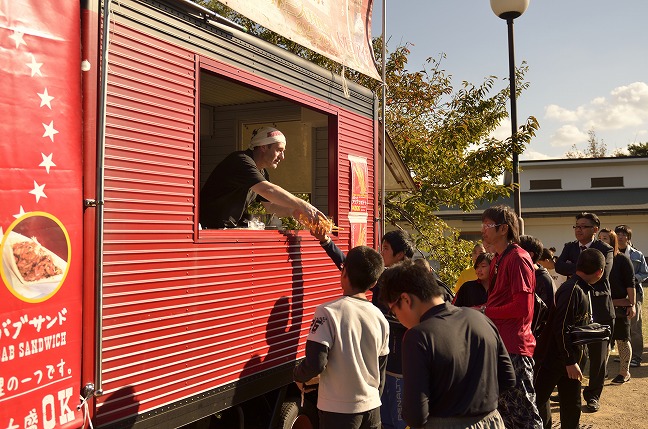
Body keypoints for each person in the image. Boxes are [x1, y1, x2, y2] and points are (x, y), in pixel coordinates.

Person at [379, 259, 515, 429]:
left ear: (405, 299)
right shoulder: (481, 319)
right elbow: (508, 379)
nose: (398, 318)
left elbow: (415, 416)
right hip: (492, 421)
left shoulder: (418, 336)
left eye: (394, 311)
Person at [312, 227, 414, 429]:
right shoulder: (384, 277)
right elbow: (351, 267)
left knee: (399, 421)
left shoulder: (407, 281)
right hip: (380, 367)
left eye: (385, 248)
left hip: (398, 364)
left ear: (400, 254)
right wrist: (326, 241)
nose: (381, 252)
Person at [293, 246, 389, 429]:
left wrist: (298, 375)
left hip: (339, 412)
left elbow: (316, 363)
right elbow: (381, 369)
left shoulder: (327, 312)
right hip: (372, 409)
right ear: (374, 283)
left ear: (344, 272)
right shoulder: (379, 317)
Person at [479, 205, 543, 429]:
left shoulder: (517, 258)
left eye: (488, 225)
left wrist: (485, 311)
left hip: (515, 346)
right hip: (500, 344)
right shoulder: (498, 258)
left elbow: (523, 307)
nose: (483, 230)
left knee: (525, 415)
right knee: (504, 416)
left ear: (503, 228)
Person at [534, 248, 605, 429]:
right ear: (599, 272)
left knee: (572, 406)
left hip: (570, 361)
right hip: (553, 359)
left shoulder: (581, 288)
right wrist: (569, 360)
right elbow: (561, 327)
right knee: (537, 401)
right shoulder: (572, 289)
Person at [200, 127, 322, 228]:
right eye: (279, 150)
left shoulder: (262, 172)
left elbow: (270, 206)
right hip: (206, 228)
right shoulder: (241, 161)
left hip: (223, 229)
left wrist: (293, 211)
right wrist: (304, 205)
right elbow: (268, 190)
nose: (282, 157)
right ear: (263, 147)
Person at [555, 212, 614, 412]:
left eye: (583, 226)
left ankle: (593, 395)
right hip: (577, 307)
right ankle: (569, 390)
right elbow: (559, 266)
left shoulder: (605, 249)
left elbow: (603, 274)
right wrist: (579, 268)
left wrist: (573, 267)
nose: (579, 230)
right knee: (574, 351)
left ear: (595, 229)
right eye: (576, 226)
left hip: (600, 307)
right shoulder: (570, 247)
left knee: (598, 356)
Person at [598, 228, 636, 383]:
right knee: (603, 340)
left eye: (605, 238)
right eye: (599, 238)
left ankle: (624, 372)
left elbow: (630, 283)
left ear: (612, 241)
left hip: (620, 306)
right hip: (602, 306)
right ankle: (603, 371)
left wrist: (632, 304)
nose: (601, 241)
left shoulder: (622, 259)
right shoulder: (596, 259)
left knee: (622, 340)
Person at [615, 224, 648, 367]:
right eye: (618, 234)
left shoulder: (637, 255)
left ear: (628, 238)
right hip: (617, 295)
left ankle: (636, 356)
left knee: (635, 326)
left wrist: (633, 279)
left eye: (624, 235)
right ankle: (625, 355)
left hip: (634, 293)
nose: (620, 237)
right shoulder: (611, 253)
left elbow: (645, 273)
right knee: (621, 326)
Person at [519, 235, 557, 311]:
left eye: (517, 251)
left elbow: (547, 312)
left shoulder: (544, 280)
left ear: (529, 255)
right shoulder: (520, 275)